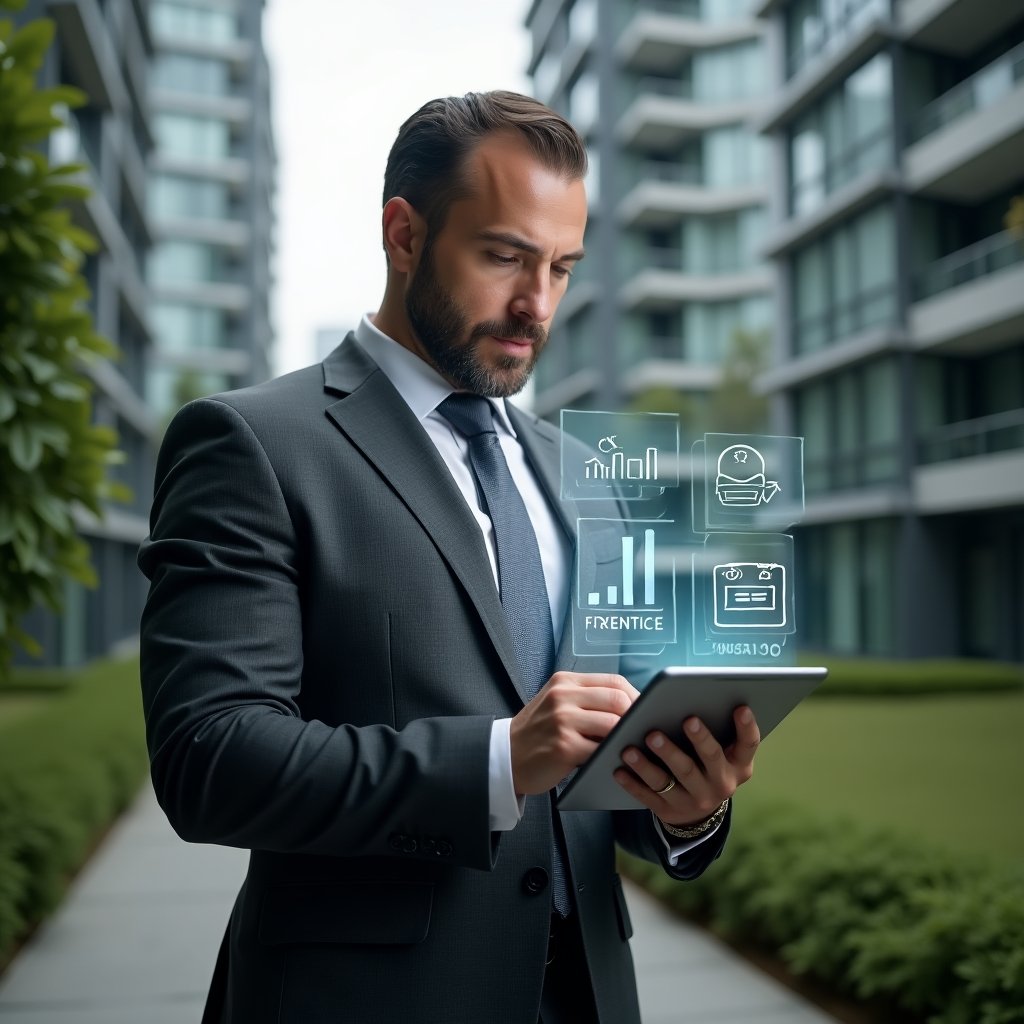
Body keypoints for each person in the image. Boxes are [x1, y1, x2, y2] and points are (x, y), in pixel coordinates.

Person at [138, 90, 761, 1024]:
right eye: (505, 256)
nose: (535, 305)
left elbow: (608, 762)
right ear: (404, 234)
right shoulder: (251, 444)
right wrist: (500, 759)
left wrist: (685, 803)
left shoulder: (588, 475)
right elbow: (210, 758)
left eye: (561, 267)